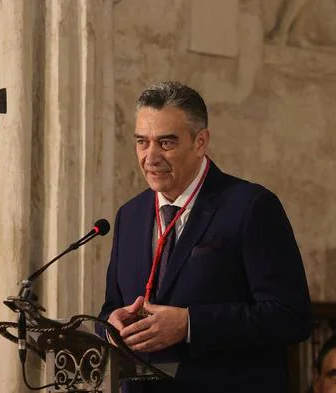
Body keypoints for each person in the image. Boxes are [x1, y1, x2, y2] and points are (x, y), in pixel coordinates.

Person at [98, 81, 311, 392]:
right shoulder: (128, 216)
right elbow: (112, 306)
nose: (151, 157)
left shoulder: (250, 206)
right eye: (142, 142)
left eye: (166, 143)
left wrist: (190, 325)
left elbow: (290, 316)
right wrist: (110, 326)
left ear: (200, 142)